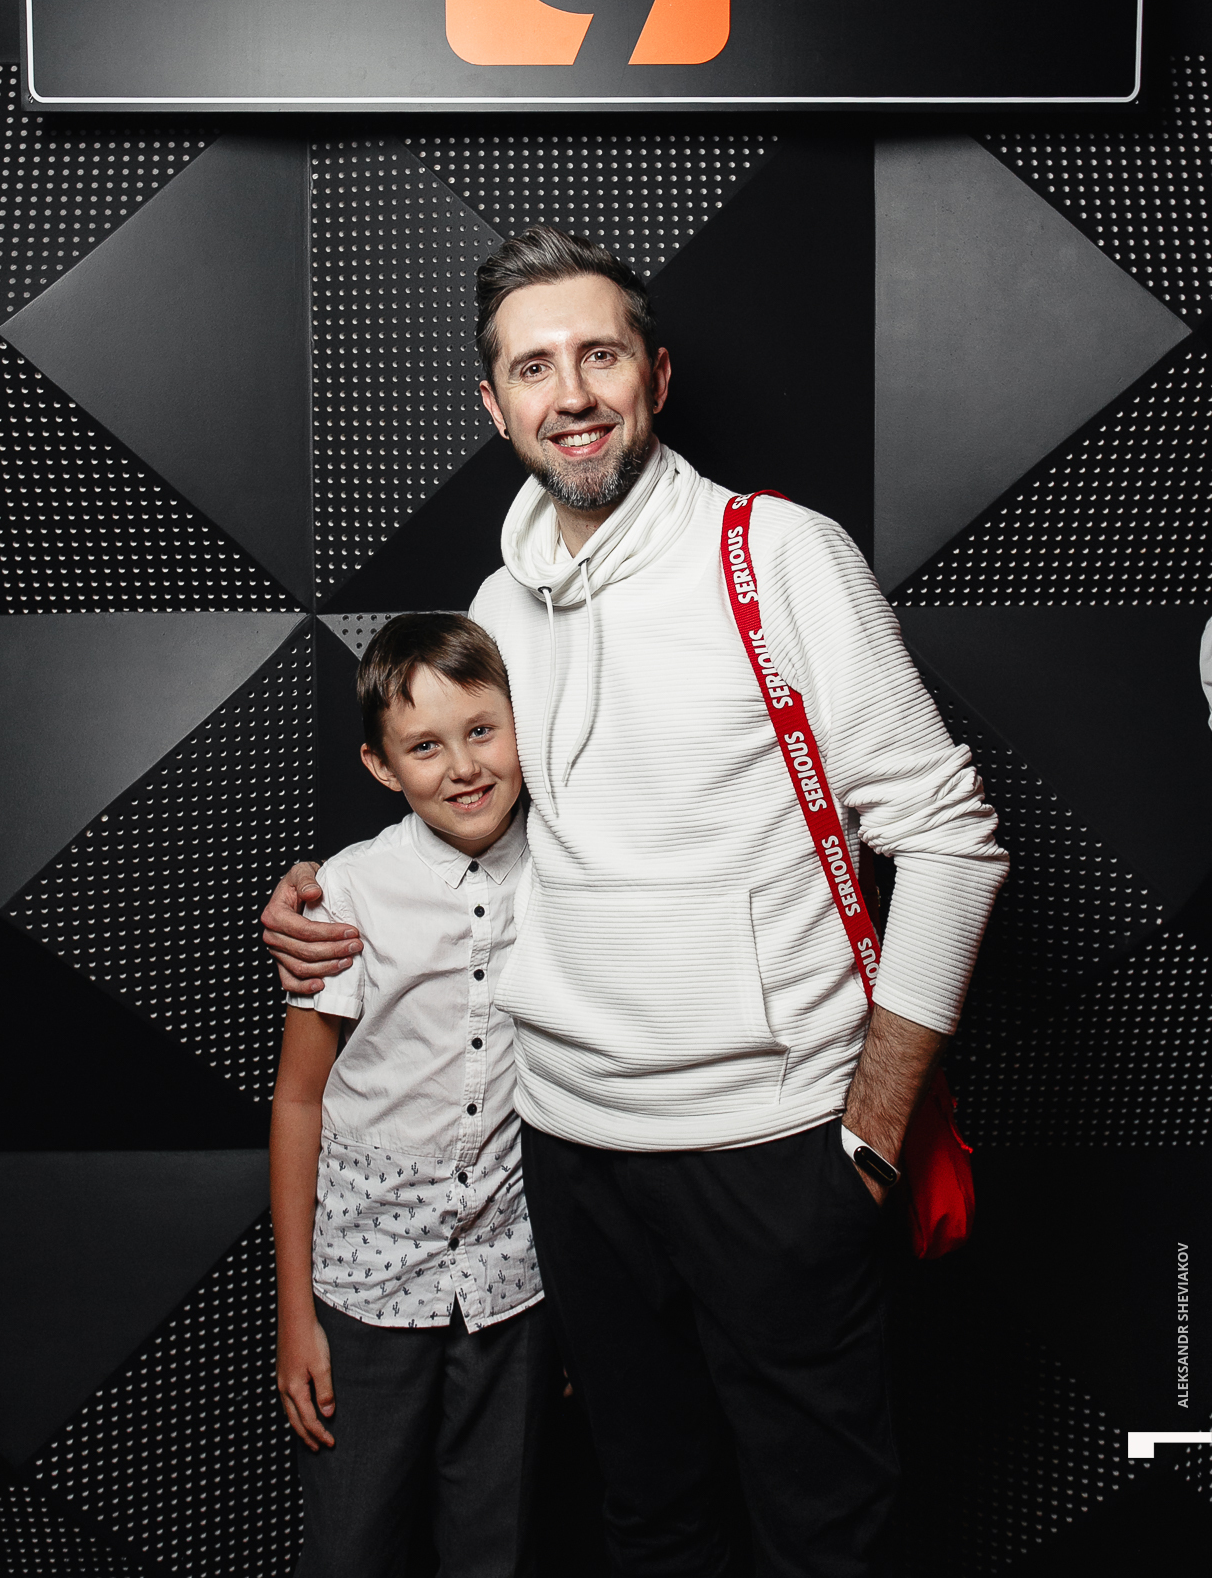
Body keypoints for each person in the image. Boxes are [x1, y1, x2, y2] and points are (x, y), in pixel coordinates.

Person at [264, 227, 1010, 1577]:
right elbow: (495, 822)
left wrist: (872, 1132)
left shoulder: (777, 555)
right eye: (532, 367)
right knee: (647, 1522)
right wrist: (327, 895)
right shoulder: (501, 605)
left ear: (654, 376)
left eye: (599, 355)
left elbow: (950, 844)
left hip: (772, 1149)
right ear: (495, 407)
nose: (571, 394)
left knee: (825, 1536)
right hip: (567, 1154)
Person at [270, 612, 553, 1578]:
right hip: (366, 1286)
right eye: (424, 746)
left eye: (482, 731)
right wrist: (296, 1316)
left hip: (513, 1284)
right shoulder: (348, 894)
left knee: (497, 1549)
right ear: (382, 767)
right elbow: (299, 1101)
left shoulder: (568, 865)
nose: (464, 767)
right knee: (353, 1547)